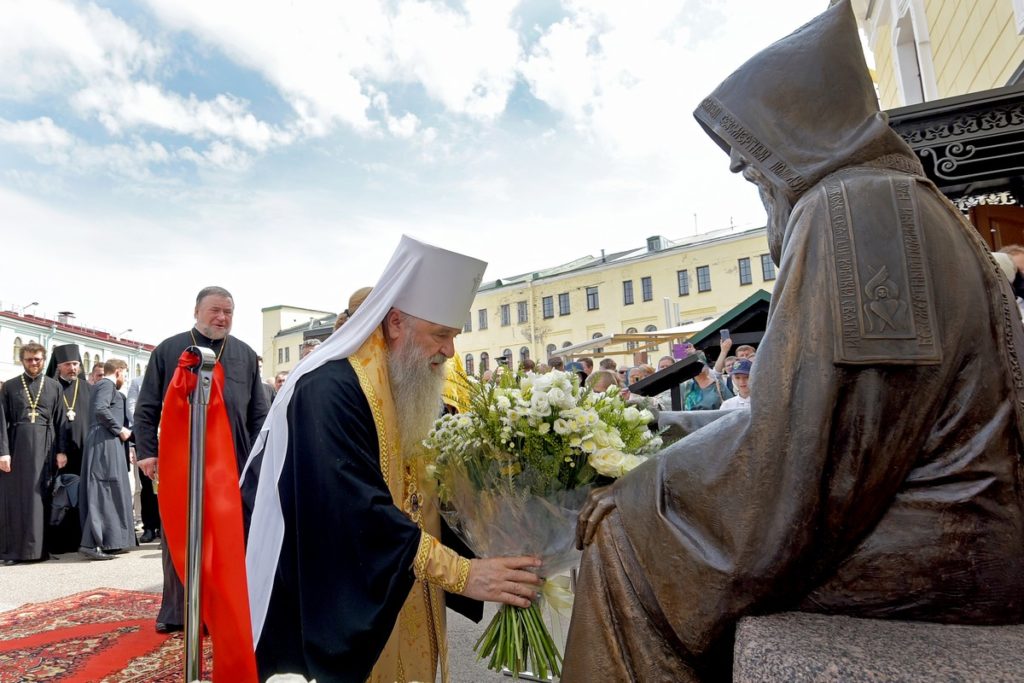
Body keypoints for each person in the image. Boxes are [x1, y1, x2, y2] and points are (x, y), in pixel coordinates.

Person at [562, 2, 1024, 681]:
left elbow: (796, 457)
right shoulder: (897, 203)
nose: (756, 185)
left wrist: (641, 489)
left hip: (946, 544)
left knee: (623, 542)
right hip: (963, 526)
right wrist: (659, 427)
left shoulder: (853, 212)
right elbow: (806, 415)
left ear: (802, 137)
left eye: (756, 169)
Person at [246, 236, 543, 683]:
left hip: (404, 587)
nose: (450, 352)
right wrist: (462, 573)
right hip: (338, 598)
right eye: (440, 335)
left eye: (454, 336)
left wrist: (503, 537)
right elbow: (353, 509)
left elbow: (434, 489)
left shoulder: (413, 384)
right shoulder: (328, 389)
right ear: (396, 322)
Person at [134, 285, 270, 633]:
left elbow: (259, 414)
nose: (222, 318)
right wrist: (148, 452)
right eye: (215, 310)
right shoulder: (168, 350)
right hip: (183, 459)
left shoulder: (245, 354)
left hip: (235, 462)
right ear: (197, 311)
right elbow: (147, 406)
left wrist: (258, 460)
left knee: (230, 538)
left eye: (228, 312)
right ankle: (178, 611)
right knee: (182, 534)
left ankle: (225, 609)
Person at [0, 342, 67, 565]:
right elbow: (2, 422)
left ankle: (40, 551)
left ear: (44, 359)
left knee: (41, 498)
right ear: (22, 361)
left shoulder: (53, 386)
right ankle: (15, 552)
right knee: (17, 499)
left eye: (38, 359)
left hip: (45, 447)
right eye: (29, 359)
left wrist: (61, 451)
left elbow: (60, 421)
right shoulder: (9, 386)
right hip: (17, 446)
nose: (34, 363)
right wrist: (3, 452)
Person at [78, 359, 134, 560]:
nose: (124, 380)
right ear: (118, 372)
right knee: (102, 489)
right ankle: (93, 543)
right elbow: (101, 409)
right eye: (125, 375)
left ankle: (109, 541)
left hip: (107, 441)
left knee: (109, 488)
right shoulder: (106, 384)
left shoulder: (105, 386)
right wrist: (119, 429)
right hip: (104, 442)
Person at [44, 343, 91, 553]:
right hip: (57, 451)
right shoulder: (50, 388)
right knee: (59, 494)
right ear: (58, 366)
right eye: (67, 364)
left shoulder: (88, 388)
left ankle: (81, 539)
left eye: (75, 364)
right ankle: (58, 541)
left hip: (83, 450)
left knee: (81, 494)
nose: (72, 368)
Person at [126, 374, 160, 544]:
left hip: (170, 437)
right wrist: (146, 431)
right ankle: (149, 527)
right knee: (148, 485)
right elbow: (133, 411)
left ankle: (164, 527)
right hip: (147, 440)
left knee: (168, 486)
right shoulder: (138, 382)